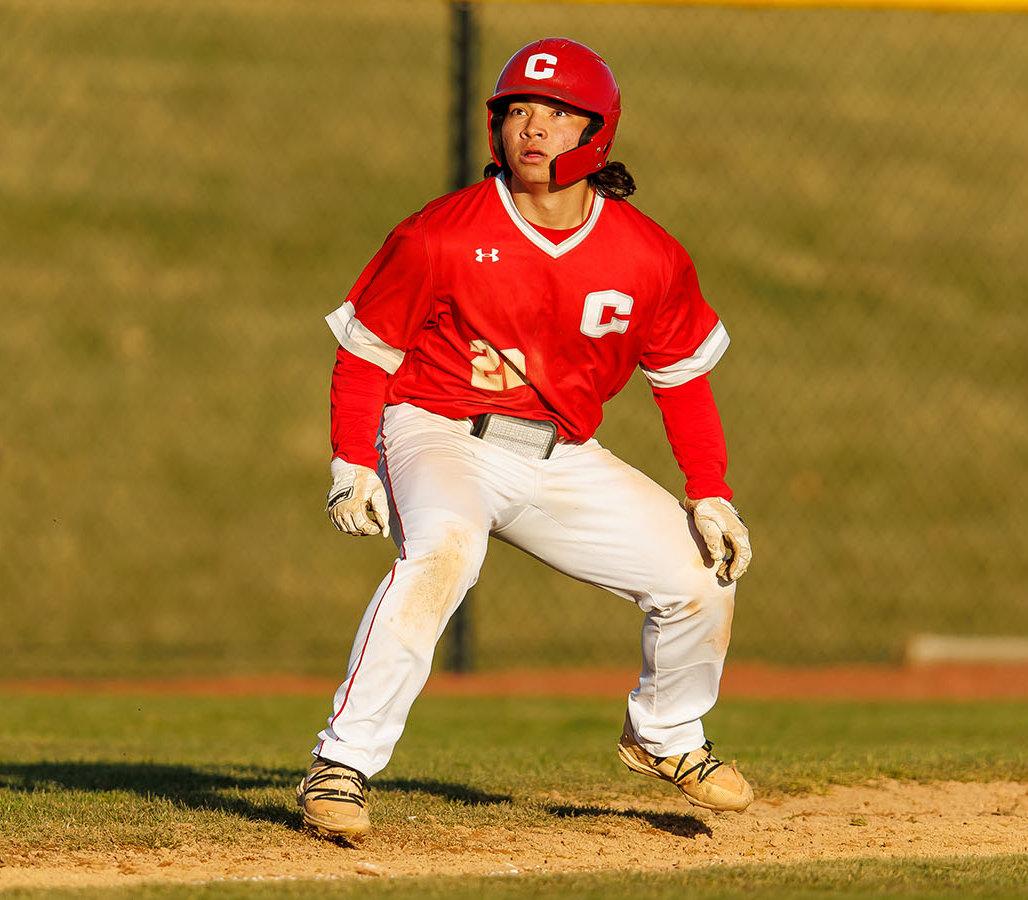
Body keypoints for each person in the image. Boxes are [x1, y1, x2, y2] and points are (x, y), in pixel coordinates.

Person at [300, 37, 754, 839]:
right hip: (438, 429)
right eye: (517, 111)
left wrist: (710, 489)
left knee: (700, 574)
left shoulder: (647, 255)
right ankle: (341, 764)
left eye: (556, 113)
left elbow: (680, 377)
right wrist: (349, 460)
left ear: (596, 133)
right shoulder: (438, 235)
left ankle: (666, 735)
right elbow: (366, 352)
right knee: (442, 554)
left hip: (560, 454)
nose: (532, 128)